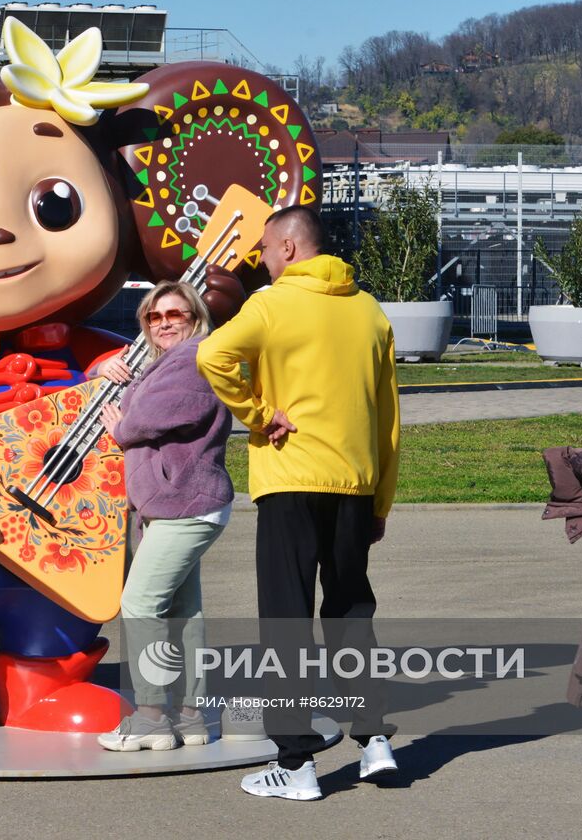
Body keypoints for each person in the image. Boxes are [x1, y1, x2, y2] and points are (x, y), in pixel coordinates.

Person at [196, 205, 400, 801]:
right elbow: (388, 418)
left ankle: (296, 763)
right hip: (355, 484)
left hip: (289, 478)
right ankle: (373, 741)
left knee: (285, 620)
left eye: (262, 248)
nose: (257, 259)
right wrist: (380, 500)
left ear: (288, 246)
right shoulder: (369, 312)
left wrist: (259, 415)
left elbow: (213, 356)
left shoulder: (270, 303)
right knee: (350, 613)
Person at [91, 281, 233, 752]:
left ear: (194, 318)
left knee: (139, 604)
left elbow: (148, 417)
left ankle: (150, 717)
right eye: (153, 316)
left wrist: (123, 427)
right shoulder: (169, 362)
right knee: (183, 612)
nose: (164, 322)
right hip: (181, 503)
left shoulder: (193, 358)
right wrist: (108, 369)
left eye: (175, 313)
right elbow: (143, 395)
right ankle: (190, 718)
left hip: (184, 503)